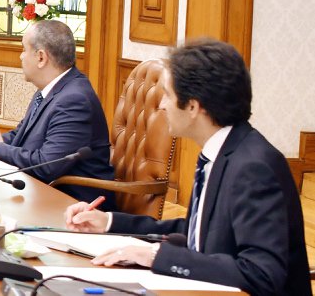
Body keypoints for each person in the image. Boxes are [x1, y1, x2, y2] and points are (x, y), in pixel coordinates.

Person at [63, 40, 308, 296]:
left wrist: (156, 256)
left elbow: (261, 274)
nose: (161, 105)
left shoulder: (253, 168)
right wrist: (108, 222)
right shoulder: (223, 151)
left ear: (192, 106)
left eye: (167, 95)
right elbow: (196, 233)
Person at [0, 20, 115, 207]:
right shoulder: (50, 89)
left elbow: (47, 165)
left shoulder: (74, 100)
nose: (20, 56)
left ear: (41, 58)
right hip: (41, 194)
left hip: (75, 207)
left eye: (24, 49)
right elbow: (21, 135)